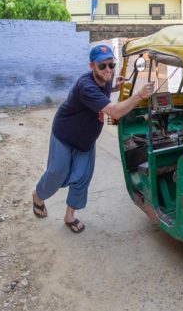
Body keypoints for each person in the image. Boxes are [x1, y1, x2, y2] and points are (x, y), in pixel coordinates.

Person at [32, 45, 154, 234]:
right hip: (65, 134)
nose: (108, 70)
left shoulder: (108, 76)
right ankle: (38, 196)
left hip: (86, 139)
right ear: (91, 66)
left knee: (82, 177)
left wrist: (114, 85)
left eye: (111, 65)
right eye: (102, 66)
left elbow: (106, 85)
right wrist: (139, 95)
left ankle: (69, 216)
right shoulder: (85, 86)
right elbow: (114, 111)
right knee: (57, 172)